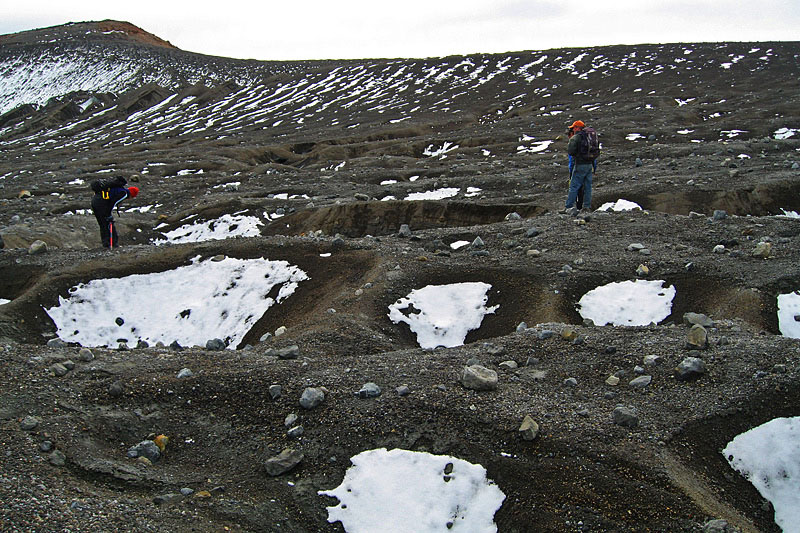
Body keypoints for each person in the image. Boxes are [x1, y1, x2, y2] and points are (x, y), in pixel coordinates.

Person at [90, 177, 139, 248]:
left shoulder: (118, 189)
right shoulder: (124, 193)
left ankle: (106, 244)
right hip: (101, 203)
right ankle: (112, 244)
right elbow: (113, 202)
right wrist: (108, 213)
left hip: (95, 201)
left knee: (102, 223)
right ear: (132, 195)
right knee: (108, 223)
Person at [564, 120, 597, 215]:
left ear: (578, 128)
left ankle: (569, 206)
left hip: (580, 164)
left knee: (574, 186)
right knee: (587, 187)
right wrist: (594, 168)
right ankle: (586, 207)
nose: (573, 129)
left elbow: (571, 152)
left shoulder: (577, 137)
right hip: (589, 165)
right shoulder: (589, 136)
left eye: (574, 127)